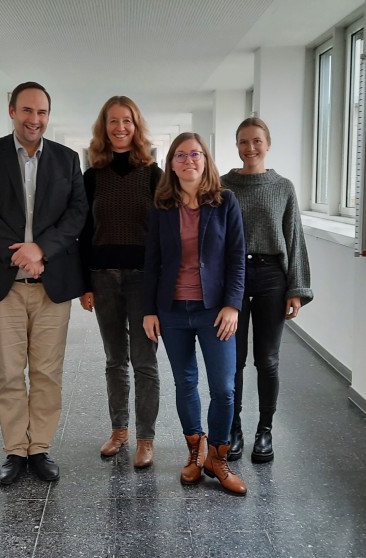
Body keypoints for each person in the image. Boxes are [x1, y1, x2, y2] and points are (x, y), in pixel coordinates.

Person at [0, 82, 87, 486]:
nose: (35, 119)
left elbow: (76, 214)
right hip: (4, 284)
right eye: (28, 111)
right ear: (12, 110)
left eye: (42, 112)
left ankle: (41, 449)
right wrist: (17, 252)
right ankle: (16, 450)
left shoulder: (68, 160)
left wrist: (41, 250)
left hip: (52, 284)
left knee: (48, 372)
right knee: (9, 372)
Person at [142, 132, 247, 495]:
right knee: (185, 383)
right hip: (172, 312)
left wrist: (233, 304)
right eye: (181, 154)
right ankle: (195, 454)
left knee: (224, 388)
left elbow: (237, 257)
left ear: (206, 160)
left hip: (215, 310)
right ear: (171, 163)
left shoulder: (226, 202)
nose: (189, 160)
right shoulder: (162, 207)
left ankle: (219, 459)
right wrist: (148, 311)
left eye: (196, 154)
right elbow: (151, 262)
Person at [222, 117, 313, 463]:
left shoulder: (283, 187)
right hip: (233, 275)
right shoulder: (222, 185)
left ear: (268, 144)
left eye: (256, 141)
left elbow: (294, 238)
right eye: (243, 141)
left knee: (267, 360)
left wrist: (297, 288)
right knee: (233, 359)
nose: (250, 148)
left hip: (272, 276)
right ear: (237, 146)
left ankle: (264, 430)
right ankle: (234, 429)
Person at [79, 96, 162, 469]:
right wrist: (85, 282)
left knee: (144, 361)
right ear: (104, 127)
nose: (120, 127)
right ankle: (119, 431)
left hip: (144, 280)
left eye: (126, 121)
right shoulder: (92, 176)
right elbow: (82, 232)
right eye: (113, 121)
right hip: (104, 277)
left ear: (136, 125)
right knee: (115, 360)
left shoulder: (155, 175)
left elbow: (164, 236)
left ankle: (146, 438)